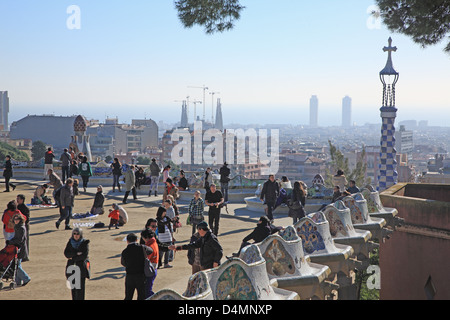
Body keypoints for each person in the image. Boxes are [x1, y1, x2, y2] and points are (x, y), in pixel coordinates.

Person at [121, 233, 153, 300]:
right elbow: (151, 250)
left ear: (127, 241)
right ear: (136, 240)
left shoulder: (125, 251)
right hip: (140, 276)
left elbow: (123, 263)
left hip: (130, 276)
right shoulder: (142, 248)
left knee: (128, 296)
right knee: (141, 295)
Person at [64, 227, 90, 300]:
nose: (76, 235)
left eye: (77, 234)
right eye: (74, 234)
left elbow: (84, 255)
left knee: (80, 290)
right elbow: (66, 254)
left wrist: (73, 257)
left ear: (80, 234)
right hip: (72, 269)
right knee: (73, 290)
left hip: (81, 269)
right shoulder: (70, 242)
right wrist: (76, 254)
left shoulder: (84, 242)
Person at [7, 213, 30, 287]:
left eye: (17, 219)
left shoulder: (21, 228)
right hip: (17, 248)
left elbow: (20, 240)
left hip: (20, 249)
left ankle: (26, 278)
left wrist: (11, 242)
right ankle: (18, 281)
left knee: (17, 266)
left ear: (20, 220)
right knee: (17, 264)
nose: (15, 221)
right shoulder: (17, 227)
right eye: (15, 219)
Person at [140, 228, 159, 299]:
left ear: (146, 238)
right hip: (154, 269)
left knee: (147, 292)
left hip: (150, 270)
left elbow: (145, 260)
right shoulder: (154, 242)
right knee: (148, 290)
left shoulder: (149, 246)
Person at [16, 194, 30, 260]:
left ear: (22, 200)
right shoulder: (16, 207)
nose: (17, 200)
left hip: (24, 226)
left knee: (25, 242)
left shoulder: (25, 208)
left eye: (18, 199)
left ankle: (25, 256)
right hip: (17, 227)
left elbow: (27, 219)